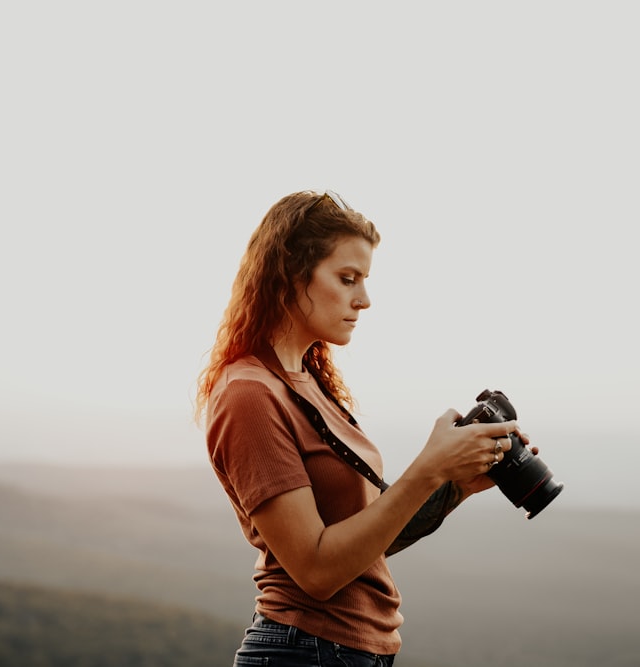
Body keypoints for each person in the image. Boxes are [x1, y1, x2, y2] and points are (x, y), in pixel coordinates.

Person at [195, 190, 535, 667]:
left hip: (344, 654)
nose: (365, 299)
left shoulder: (306, 383)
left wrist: (454, 485)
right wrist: (427, 469)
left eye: (364, 280)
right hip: (305, 652)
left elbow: (365, 543)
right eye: (347, 278)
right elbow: (316, 570)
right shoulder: (249, 392)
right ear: (291, 275)